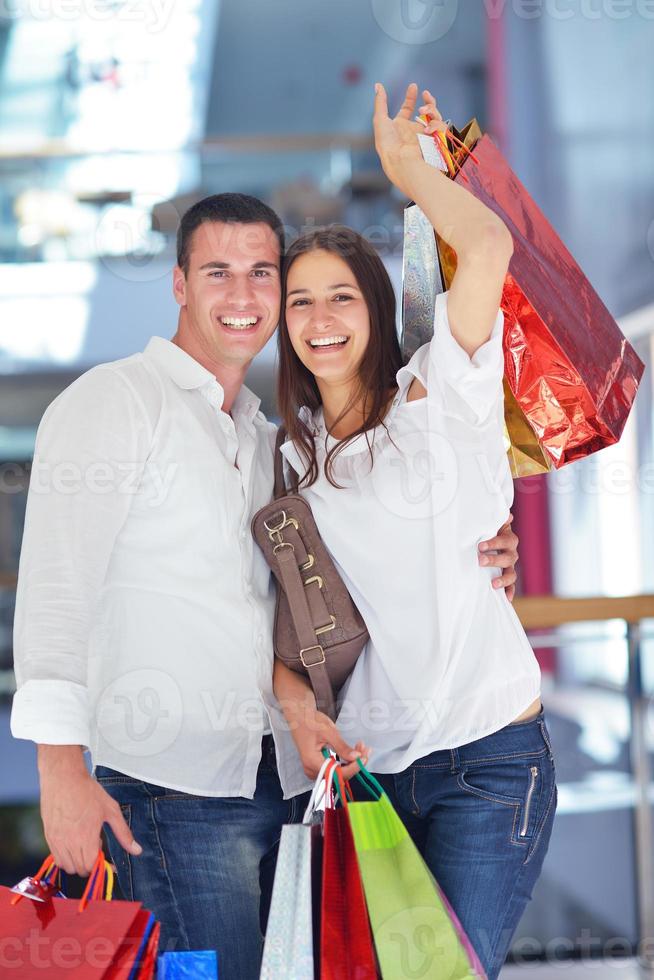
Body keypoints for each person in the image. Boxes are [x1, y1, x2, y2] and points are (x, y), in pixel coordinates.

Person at [10, 188, 519, 973]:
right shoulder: (114, 402)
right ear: (179, 283)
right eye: (217, 272)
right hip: (165, 787)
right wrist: (60, 770)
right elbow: (55, 589)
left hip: (278, 783)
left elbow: (294, 603)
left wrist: (483, 541)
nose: (242, 295)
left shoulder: (275, 443)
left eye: (260, 273)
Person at [272, 83, 556, 980]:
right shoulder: (290, 458)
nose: (322, 321)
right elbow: (263, 609)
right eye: (301, 302)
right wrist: (295, 705)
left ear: (377, 310)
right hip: (373, 771)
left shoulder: (439, 394)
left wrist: (409, 173)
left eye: (342, 298)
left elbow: (488, 245)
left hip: (489, 757)